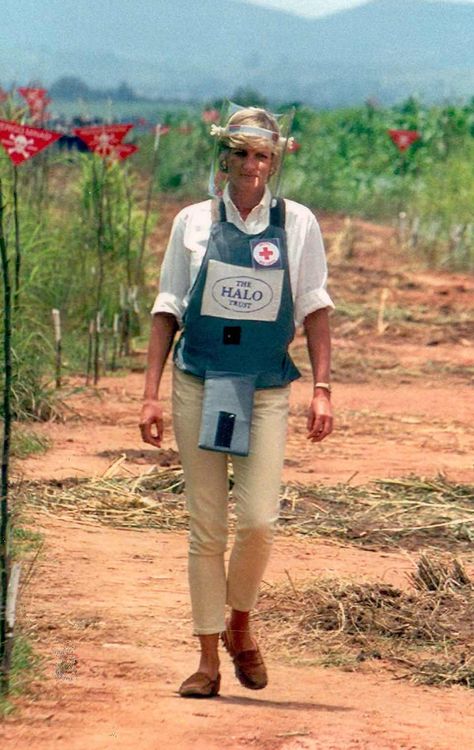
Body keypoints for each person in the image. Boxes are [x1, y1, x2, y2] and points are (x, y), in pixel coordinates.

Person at [139, 107, 334, 698]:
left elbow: (316, 308)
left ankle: (239, 622)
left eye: (263, 156)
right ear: (222, 157)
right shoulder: (190, 223)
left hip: (266, 387)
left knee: (257, 521)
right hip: (199, 381)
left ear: (276, 162)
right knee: (207, 525)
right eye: (241, 154)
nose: (251, 166)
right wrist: (149, 394)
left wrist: (322, 388)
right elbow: (167, 307)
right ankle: (206, 660)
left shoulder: (297, 224)